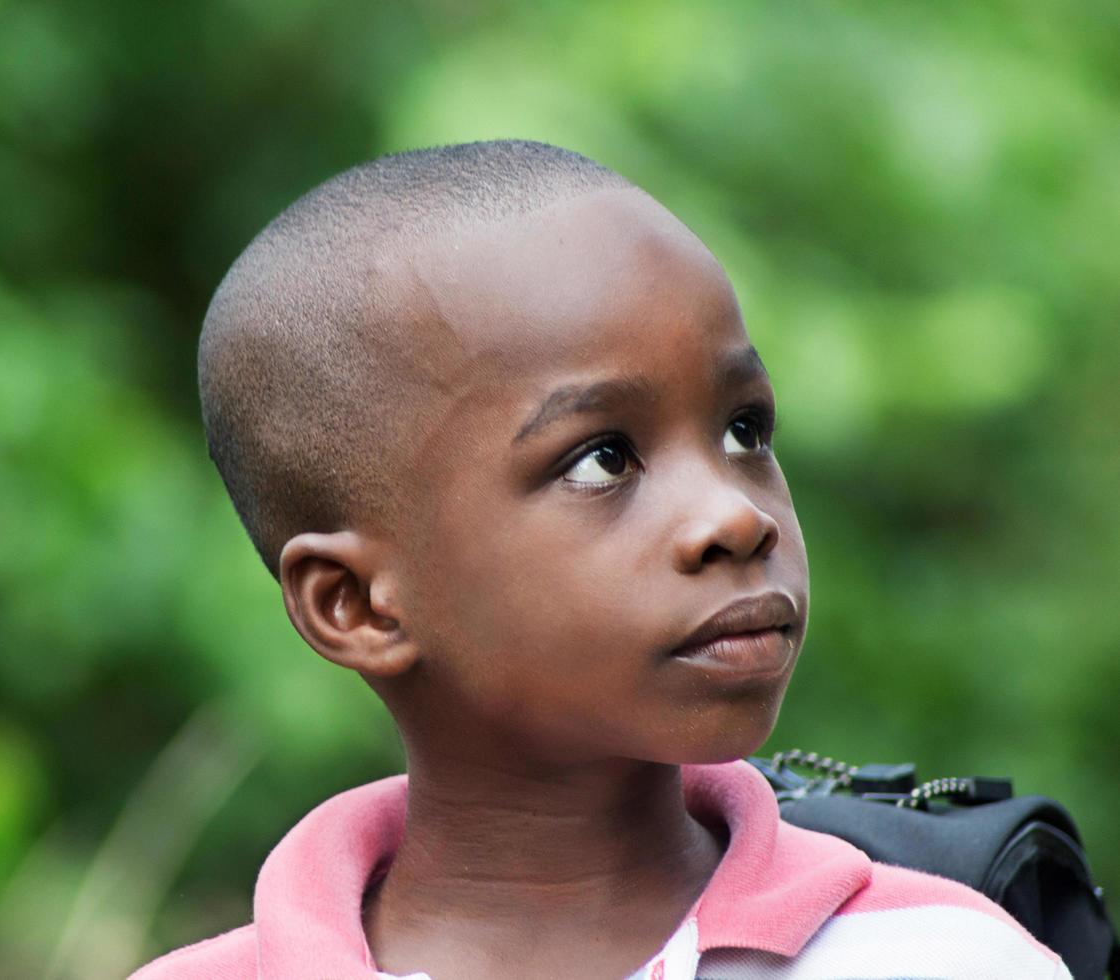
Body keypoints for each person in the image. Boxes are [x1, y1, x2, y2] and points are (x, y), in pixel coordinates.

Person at [132, 141, 1070, 979]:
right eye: (603, 459)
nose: (735, 518)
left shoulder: (934, 957)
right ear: (358, 606)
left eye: (745, 429)